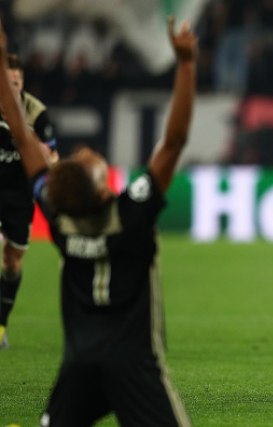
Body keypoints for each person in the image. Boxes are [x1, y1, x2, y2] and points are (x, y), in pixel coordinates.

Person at [0, 17, 196, 425]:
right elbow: (174, 141)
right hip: (135, 367)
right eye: (89, 162)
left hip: (80, 366)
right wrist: (186, 64)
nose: (86, 152)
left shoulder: (60, 220)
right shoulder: (132, 215)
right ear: (104, 191)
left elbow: (21, 133)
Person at [0, 53, 58, 349]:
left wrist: (41, 152)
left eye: (17, 83)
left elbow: (53, 158)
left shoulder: (36, 113)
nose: (13, 88)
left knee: (13, 261)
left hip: (18, 194)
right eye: (7, 83)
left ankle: (1, 324)